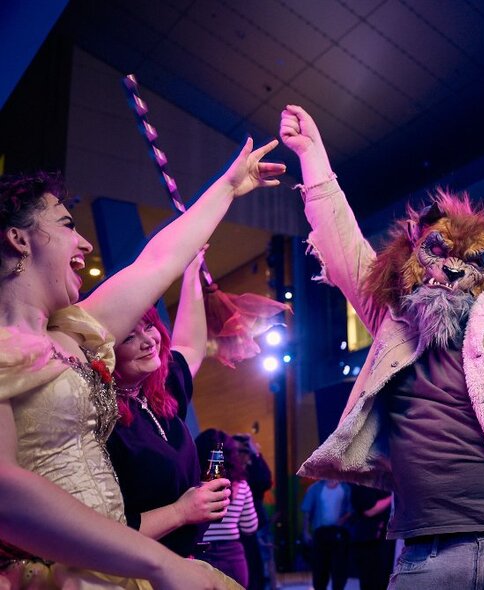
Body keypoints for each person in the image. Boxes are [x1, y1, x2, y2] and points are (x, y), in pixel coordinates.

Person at [279, 105, 484, 589]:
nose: (453, 269)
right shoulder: (393, 321)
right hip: (423, 556)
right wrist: (312, 156)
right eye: (439, 252)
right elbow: (344, 249)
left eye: (469, 260)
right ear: (415, 248)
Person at [0, 137, 283, 589]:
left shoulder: (74, 334)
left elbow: (159, 260)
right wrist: (160, 561)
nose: (86, 242)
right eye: (67, 224)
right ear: (17, 238)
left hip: (119, 570)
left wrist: (228, 187)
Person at [108, 247, 231, 558]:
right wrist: (182, 512)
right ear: (105, 351)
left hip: (186, 562)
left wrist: (190, 272)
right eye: (128, 336)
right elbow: (104, 530)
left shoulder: (160, 388)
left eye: (148, 325)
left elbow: (190, 344)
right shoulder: (101, 419)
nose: (148, 340)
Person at [196, 429, 259, 588]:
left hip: (199, 557)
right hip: (232, 556)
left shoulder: (192, 486)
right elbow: (249, 527)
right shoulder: (241, 485)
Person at [232, 433, 273, 590]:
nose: (239, 454)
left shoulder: (251, 471)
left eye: (242, 450)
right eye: (235, 450)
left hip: (256, 527)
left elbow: (264, 481)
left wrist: (255, 453)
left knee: (261, 568)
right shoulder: (225, 474)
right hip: (235, 533)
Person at [301, 480, 352, 590]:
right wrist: (305, 532)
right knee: (320, 568)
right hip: (321, 532)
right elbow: (307, 512)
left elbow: (351, 509)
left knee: (339, 568)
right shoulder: (315, 488)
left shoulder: (345, 487)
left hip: (339, 532)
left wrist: (344, 519)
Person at [348, 485, 394, 590]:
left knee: (383, 580)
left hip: (384, 539)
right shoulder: (363, 483)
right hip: (369, 541)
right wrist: (393, 496)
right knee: (372, 581)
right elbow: (369, 510)